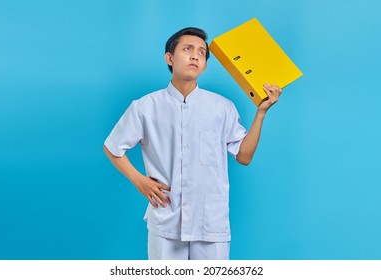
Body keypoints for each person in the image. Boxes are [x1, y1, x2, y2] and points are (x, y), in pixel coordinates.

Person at [103, 27, 282, 260]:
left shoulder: (222, 107)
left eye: (201, 52)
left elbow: (244, 156)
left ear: (205, 64)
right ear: (169, 58)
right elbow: (113, 146)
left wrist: (261, 113)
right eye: (187, 49)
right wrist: (140, 181)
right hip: (166, 220)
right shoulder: (145, 107)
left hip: (211, 222)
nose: (195, 55)